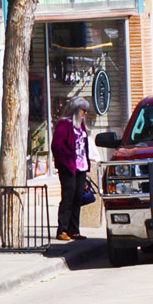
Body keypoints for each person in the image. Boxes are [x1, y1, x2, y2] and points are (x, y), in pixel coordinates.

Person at [53, 97, 93, 242]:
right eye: (84, 110)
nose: (85, 114)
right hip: (69, 168)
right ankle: (62, 229)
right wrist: (66, 162)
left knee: (77, 198)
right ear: (76, 110)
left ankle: (74, 230)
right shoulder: (64, 125)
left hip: (81, 168)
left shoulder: (80, 126)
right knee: (68, 198)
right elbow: (57, 146)